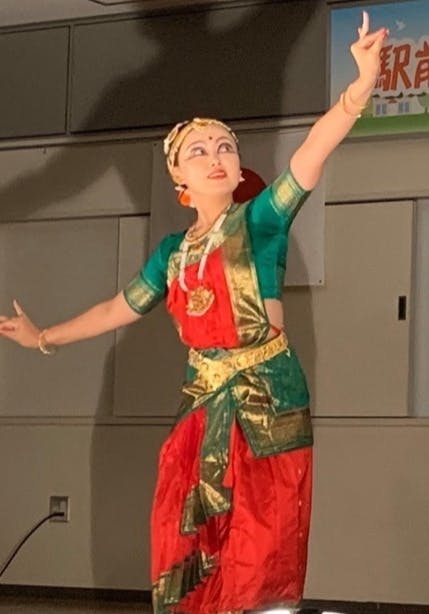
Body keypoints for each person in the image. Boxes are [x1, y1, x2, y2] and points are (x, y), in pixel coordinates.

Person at [0, 13, 386, 614]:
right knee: (183, 532)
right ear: (177, 175)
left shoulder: (261, 221)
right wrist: (44, 336)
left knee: (262, 542)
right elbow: (117, 308)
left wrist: (359, 86)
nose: (216, 157)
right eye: (198, 151)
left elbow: (313, 151)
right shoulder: (171, 254)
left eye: (226, 147)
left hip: (266, 400)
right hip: (203, 405)